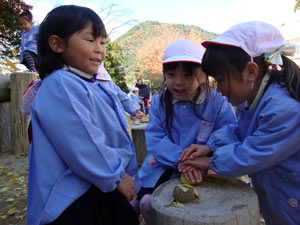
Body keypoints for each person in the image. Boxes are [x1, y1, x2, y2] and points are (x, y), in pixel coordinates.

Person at [27, 5, 140, 225]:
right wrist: (116, 175)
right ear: (57, 44)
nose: (100, 49)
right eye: (90, 40)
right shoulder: (60, 84)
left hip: (95, 184)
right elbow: (84, 141)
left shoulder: (88, 83)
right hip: (74, 199)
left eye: (103, 42)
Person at [179, 21, 300, 225]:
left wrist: (211, 162)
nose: (218, 89)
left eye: (220, 80)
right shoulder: (255, 97)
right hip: (278, 197)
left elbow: (253, 152)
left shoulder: (284, 109)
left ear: (250, 72)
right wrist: (210, 146)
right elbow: (241, 132)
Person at [134, 39, 237, 224]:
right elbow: (156, 138)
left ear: (204, 76)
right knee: (146, 203)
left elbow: (229, 132)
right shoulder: (159, 103)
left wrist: (206, 154)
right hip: (163, 165)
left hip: (204, 170)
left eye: (188, 75)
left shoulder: (217, 102)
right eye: (171, 74)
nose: (178, 82)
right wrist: (183, 159)